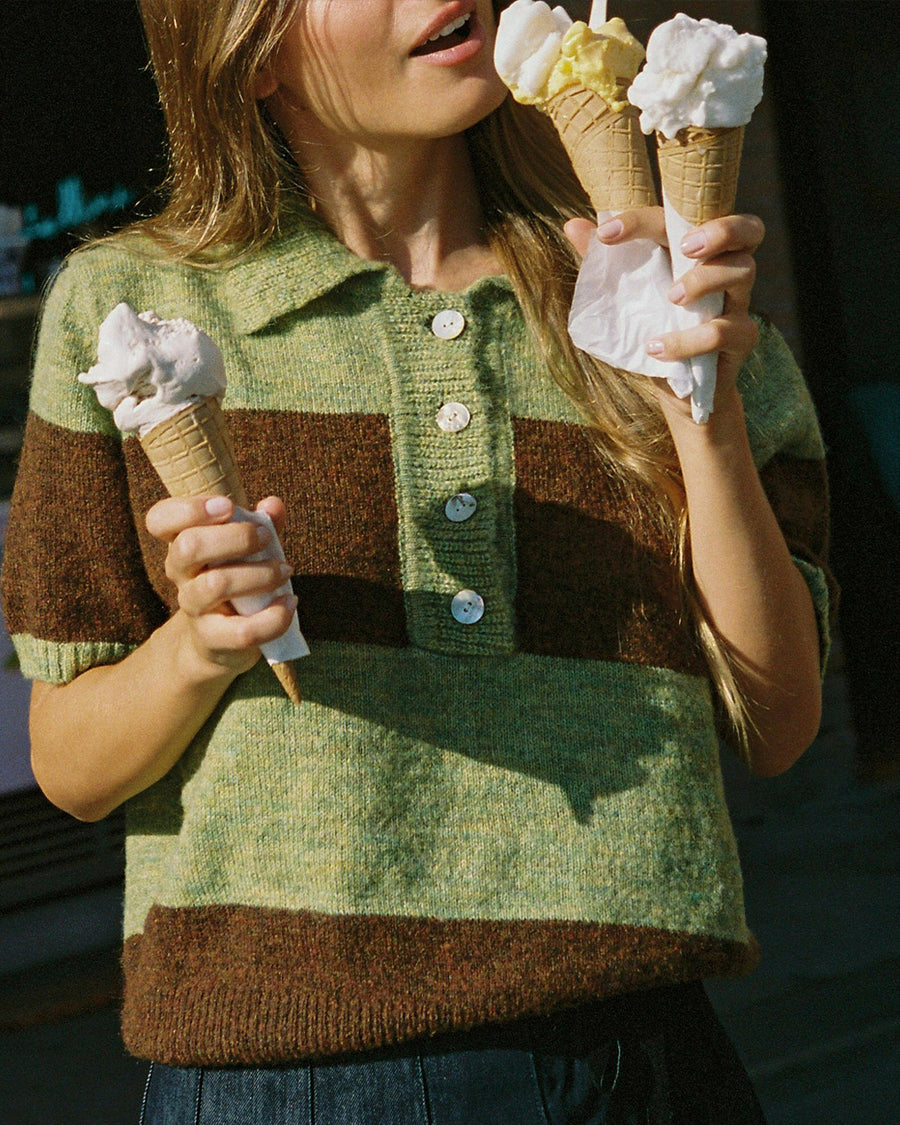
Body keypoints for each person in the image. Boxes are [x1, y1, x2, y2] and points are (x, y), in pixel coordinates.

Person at [1, 1, 833, 1121]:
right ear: (249, 52)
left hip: (642, 1049)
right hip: (286, 1079)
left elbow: (780, 725)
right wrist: (198, 649)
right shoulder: (124, 312)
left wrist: (701, 402)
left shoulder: (640, 271)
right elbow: (69, 764)